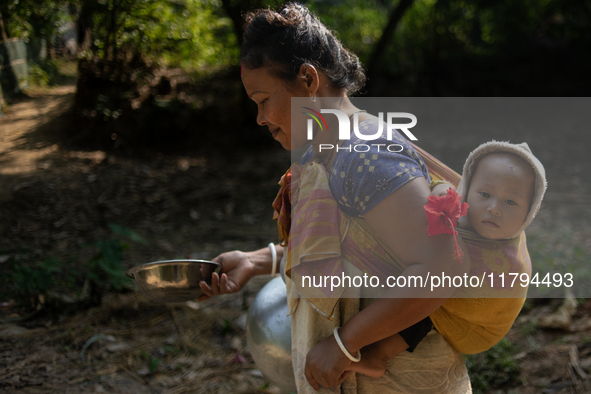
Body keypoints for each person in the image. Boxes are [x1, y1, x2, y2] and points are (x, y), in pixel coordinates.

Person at [199, 3, 472, 393]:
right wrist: (257, 261)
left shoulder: (367, 158)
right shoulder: (322, 151)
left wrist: (346, 343)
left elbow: (442, 268)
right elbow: (353, 247)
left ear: (308, 79)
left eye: (263, 100)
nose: (259, 118)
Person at [347, 141, 547, 378]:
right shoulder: (457, 205)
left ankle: (377, 356)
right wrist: (441, 190)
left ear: (529, 212)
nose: (494, 208)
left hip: (477, 330)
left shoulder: (511, 263)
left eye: (510, 202)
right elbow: (439, 185)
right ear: (467, 189)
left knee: (423, 304)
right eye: (484, 194)